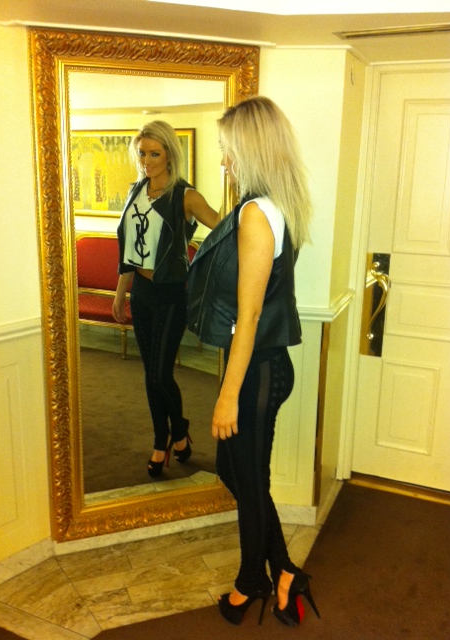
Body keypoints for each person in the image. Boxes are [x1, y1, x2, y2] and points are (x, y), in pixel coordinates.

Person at [187, 97, 320, 627]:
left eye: (228, 150)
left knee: (246, 477)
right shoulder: (268, 207)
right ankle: (283, 571)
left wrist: (227, 396)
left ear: (251, 151)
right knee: (238, 471)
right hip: (262, 368)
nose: (223, 160)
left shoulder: (256, 214)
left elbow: (249, 316)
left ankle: (252, 582)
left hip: (258, 372)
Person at [112, 120, 219, 478]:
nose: (146, 161)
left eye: (154, 154)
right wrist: (121, 292)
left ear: (170, 155)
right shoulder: (136, 191)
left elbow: (224, 229)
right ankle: (169, 438)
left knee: (160, 373)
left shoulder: (186, 196)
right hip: (141, 293)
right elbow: (130, 248)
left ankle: (175, 432)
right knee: (151, 374)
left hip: (171, 293)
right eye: (142, 153)